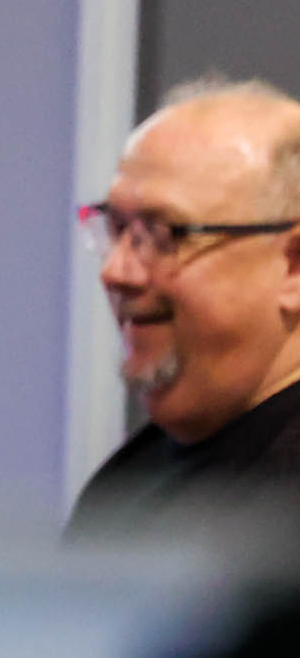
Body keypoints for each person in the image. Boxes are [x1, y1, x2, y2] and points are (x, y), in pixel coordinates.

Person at [70, 77, 300, 536]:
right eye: (116, 229)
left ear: (293, 266)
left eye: (163, 235)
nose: (115, 271)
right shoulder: (130, 480)